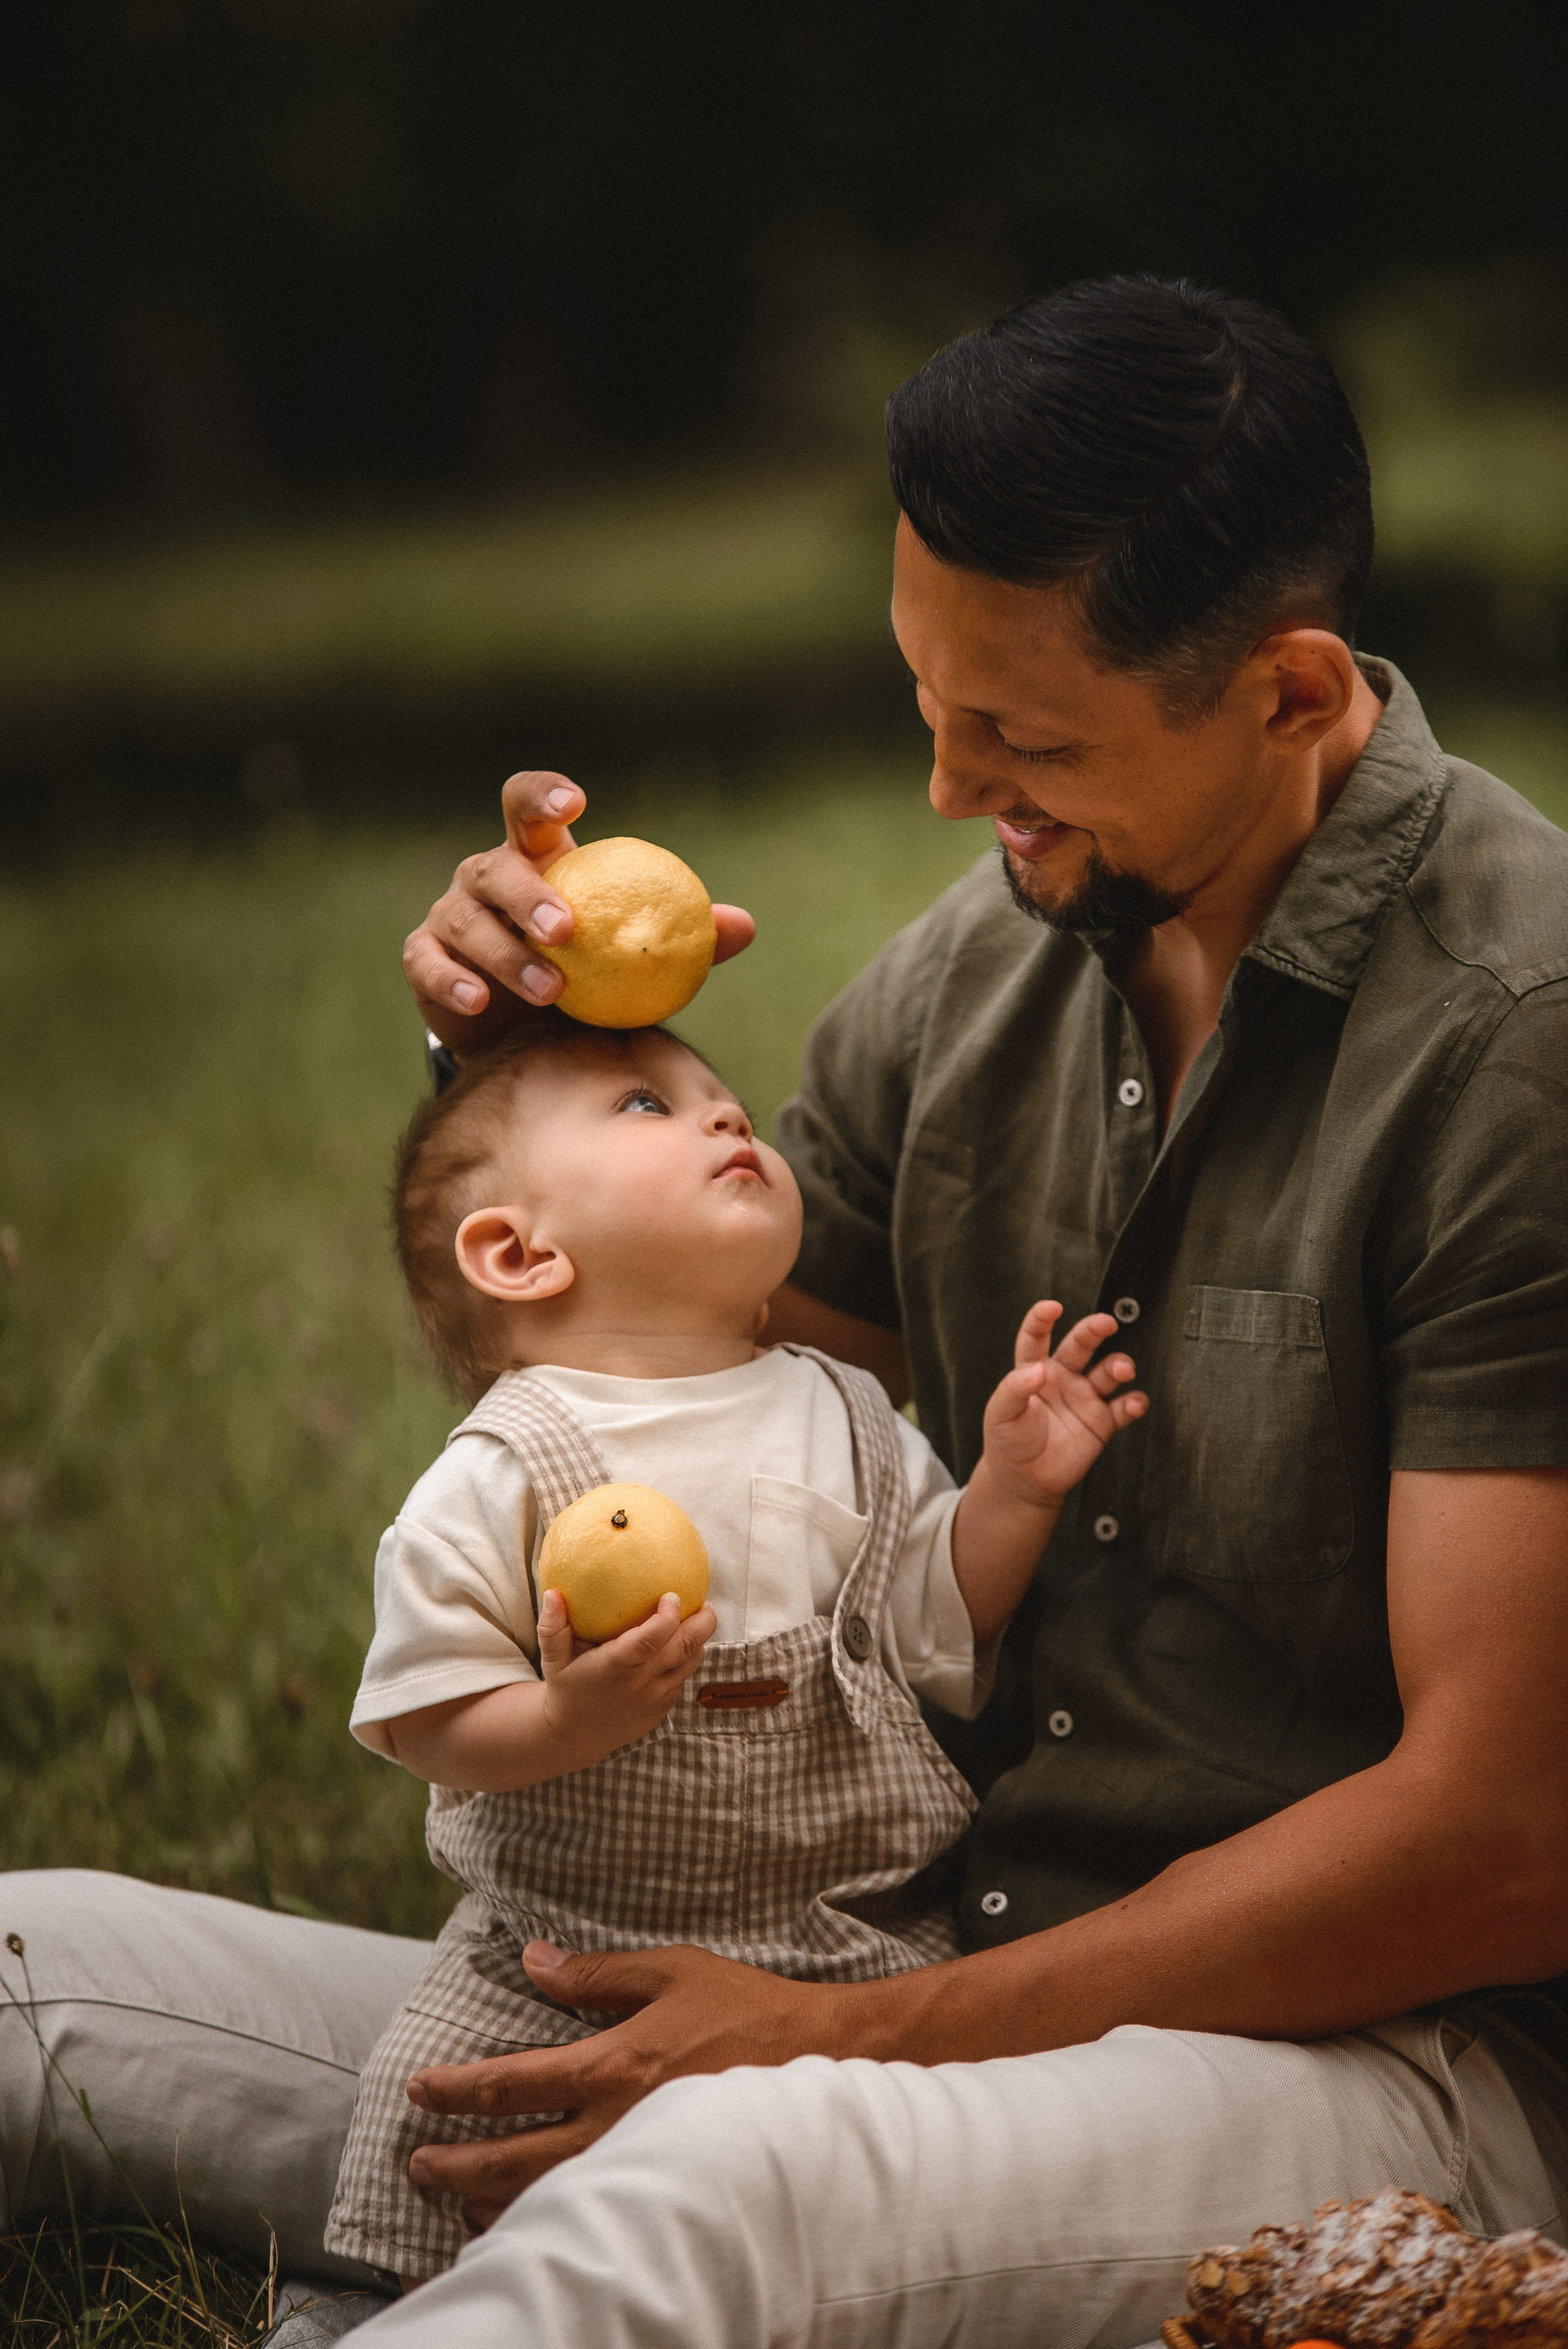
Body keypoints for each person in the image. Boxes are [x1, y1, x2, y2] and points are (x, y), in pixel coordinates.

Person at [4, 274, 1567, 2348]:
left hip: (1362, 2062)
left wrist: (855, 2032)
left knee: (716, 2175)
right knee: (36, 1962)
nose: (950, 788)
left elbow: (1499, 1837)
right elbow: (678, 1383)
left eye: (1020, 734)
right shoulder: (984, 962)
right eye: (930, 699)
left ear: (1285, 693)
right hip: (845, 1950)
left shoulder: (1517, 1046)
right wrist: (515, 1077)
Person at [322, 1016, 1144, 2282]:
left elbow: (933, 1619)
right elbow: (425, 1704)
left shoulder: (846, 1413)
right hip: (560, 1967)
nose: (724, 1119)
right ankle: (361, 2303)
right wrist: (557, 1724)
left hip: (856, 1950)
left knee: (840, 2221)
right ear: (517, 1251)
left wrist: (1011, 1495)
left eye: (728, 1102)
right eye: (650, 1107)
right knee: (449, 2175)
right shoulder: (507, 1463)